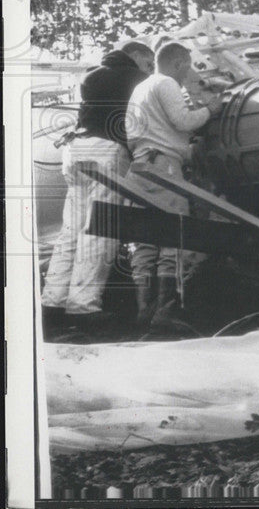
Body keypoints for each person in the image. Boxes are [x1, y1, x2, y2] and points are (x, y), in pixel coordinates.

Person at [41, 41, 155, 338]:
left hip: (75, 151)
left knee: (71, 232)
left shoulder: (92, 74)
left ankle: (52, 304)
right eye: (149, 64)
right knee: (100, 230)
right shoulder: (136, 78)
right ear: (139, 59)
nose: (150, 71)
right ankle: (84, 306)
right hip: (105, 152)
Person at [125, 42, 222, 333]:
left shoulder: (141, 88)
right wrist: (210, 110)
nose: (188, 73)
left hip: (140, 166)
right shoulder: (166, 83)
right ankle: (165, 313)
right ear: (179, 63)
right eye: (188, 66)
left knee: (145, 240)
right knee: (172, 234)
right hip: (163, 166)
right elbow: (183, 121)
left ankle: (144, 310)